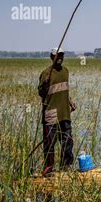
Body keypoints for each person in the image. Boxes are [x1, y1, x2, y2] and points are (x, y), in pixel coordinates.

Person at [38, 48, 76, 176]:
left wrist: (70, 101)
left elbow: (64, 90)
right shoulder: (46, 73)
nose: (59, 58)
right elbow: (41, 93)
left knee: (67, 140)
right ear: (51, 57)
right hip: (51, 113)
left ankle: (66, 166)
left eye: (61, 55)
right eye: (57, 55)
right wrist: (45, 84)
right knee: (50, 143)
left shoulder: (65, 71)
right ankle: (48, 169)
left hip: (64, 112)